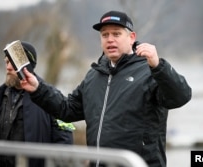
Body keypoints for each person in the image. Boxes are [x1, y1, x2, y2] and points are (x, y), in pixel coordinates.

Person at [20, 11, 192, 167]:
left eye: (116, 34)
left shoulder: (149, 70)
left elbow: (181, 96)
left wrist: (159, 65)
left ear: (131, 37)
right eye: (105, 35)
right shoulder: (94, 75)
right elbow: (67, 109)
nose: (110, 39)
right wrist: (37, 88)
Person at [0, 41, 75, 167]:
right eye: (6, 62)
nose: (8, 67)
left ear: (26, 67)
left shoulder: (49, 97)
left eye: (12, 63)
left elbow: (64, 144)